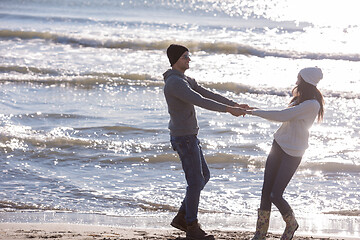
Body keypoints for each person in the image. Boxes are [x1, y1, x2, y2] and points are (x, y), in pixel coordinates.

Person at [163, 44, 246, 240]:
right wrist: (228, 110)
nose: (189, 59)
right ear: (175, 59)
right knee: (195, 182)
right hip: (183, 138)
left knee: (204, 176)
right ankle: (192, 226)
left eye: (188, 56)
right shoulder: (174, 83)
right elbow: (199, 100)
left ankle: (182, 217)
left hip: (190, 136)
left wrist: (233, 104)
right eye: (185, 57)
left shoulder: (184, 79)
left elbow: (207, 94)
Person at [245, 67, 325, 240]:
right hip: (279, 145)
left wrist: (252, 112)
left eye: (299, 78)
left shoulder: (312, 104)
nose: (296, 82)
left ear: (306, 81)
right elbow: (283, 114)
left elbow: (282, 116)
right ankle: (260, 234)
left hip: (294, 153)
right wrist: (254, 109)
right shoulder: (301, 100)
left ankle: (291, 223)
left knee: (275, 194)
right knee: (266, 192)